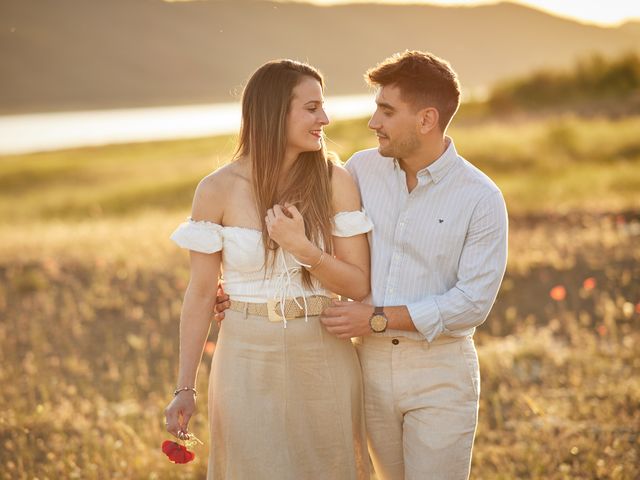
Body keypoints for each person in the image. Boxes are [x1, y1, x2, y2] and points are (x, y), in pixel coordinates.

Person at [216, 50, 508, 479]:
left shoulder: (480, 198)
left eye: (386, 111)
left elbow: (471, 305)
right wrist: (240, 292)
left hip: (439, 373)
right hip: (364, 371)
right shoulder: (358, 172)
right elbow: (313, 245)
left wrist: (375, 319)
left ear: (426, 120)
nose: (373, 122)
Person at [164, 59, 373, 480]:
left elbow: (357, 282)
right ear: (275, 111)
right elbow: (202, 294)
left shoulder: (336, 180)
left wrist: (304, 249)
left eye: (323, 107)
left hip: (323, 354)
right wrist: (185, 388)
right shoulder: (216, 189)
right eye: (311, 108)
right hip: (243, 358)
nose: (325, 119)